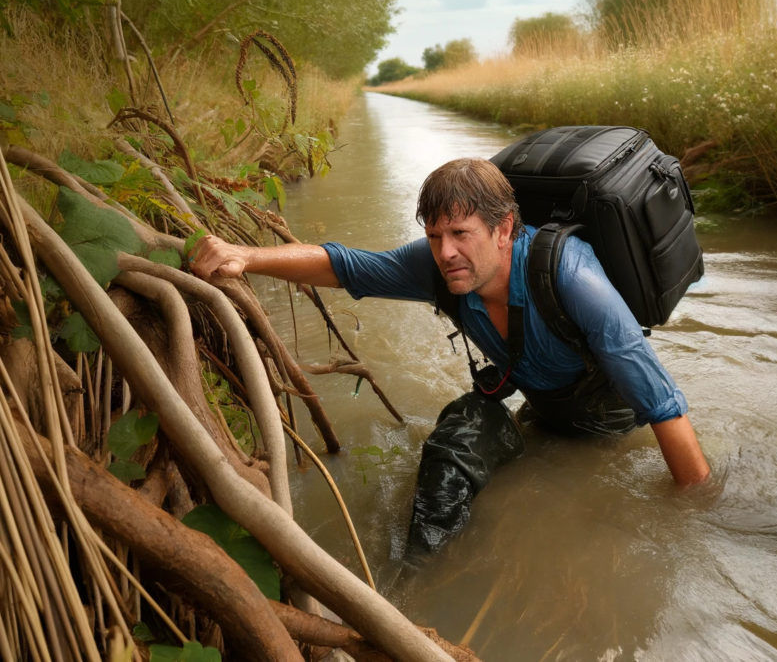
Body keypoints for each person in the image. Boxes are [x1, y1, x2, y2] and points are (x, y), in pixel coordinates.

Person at [190, 157, 710, 554]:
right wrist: (247, 256)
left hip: (609, 429)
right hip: (540, 411)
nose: (446, 254)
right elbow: (346, 265)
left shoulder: (574, 280)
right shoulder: (440, 267)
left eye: (461, 234)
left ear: (504, 229)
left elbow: (663, 406)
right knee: (463, 426)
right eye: (435, 236)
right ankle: (416, 572)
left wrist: (692, 520)